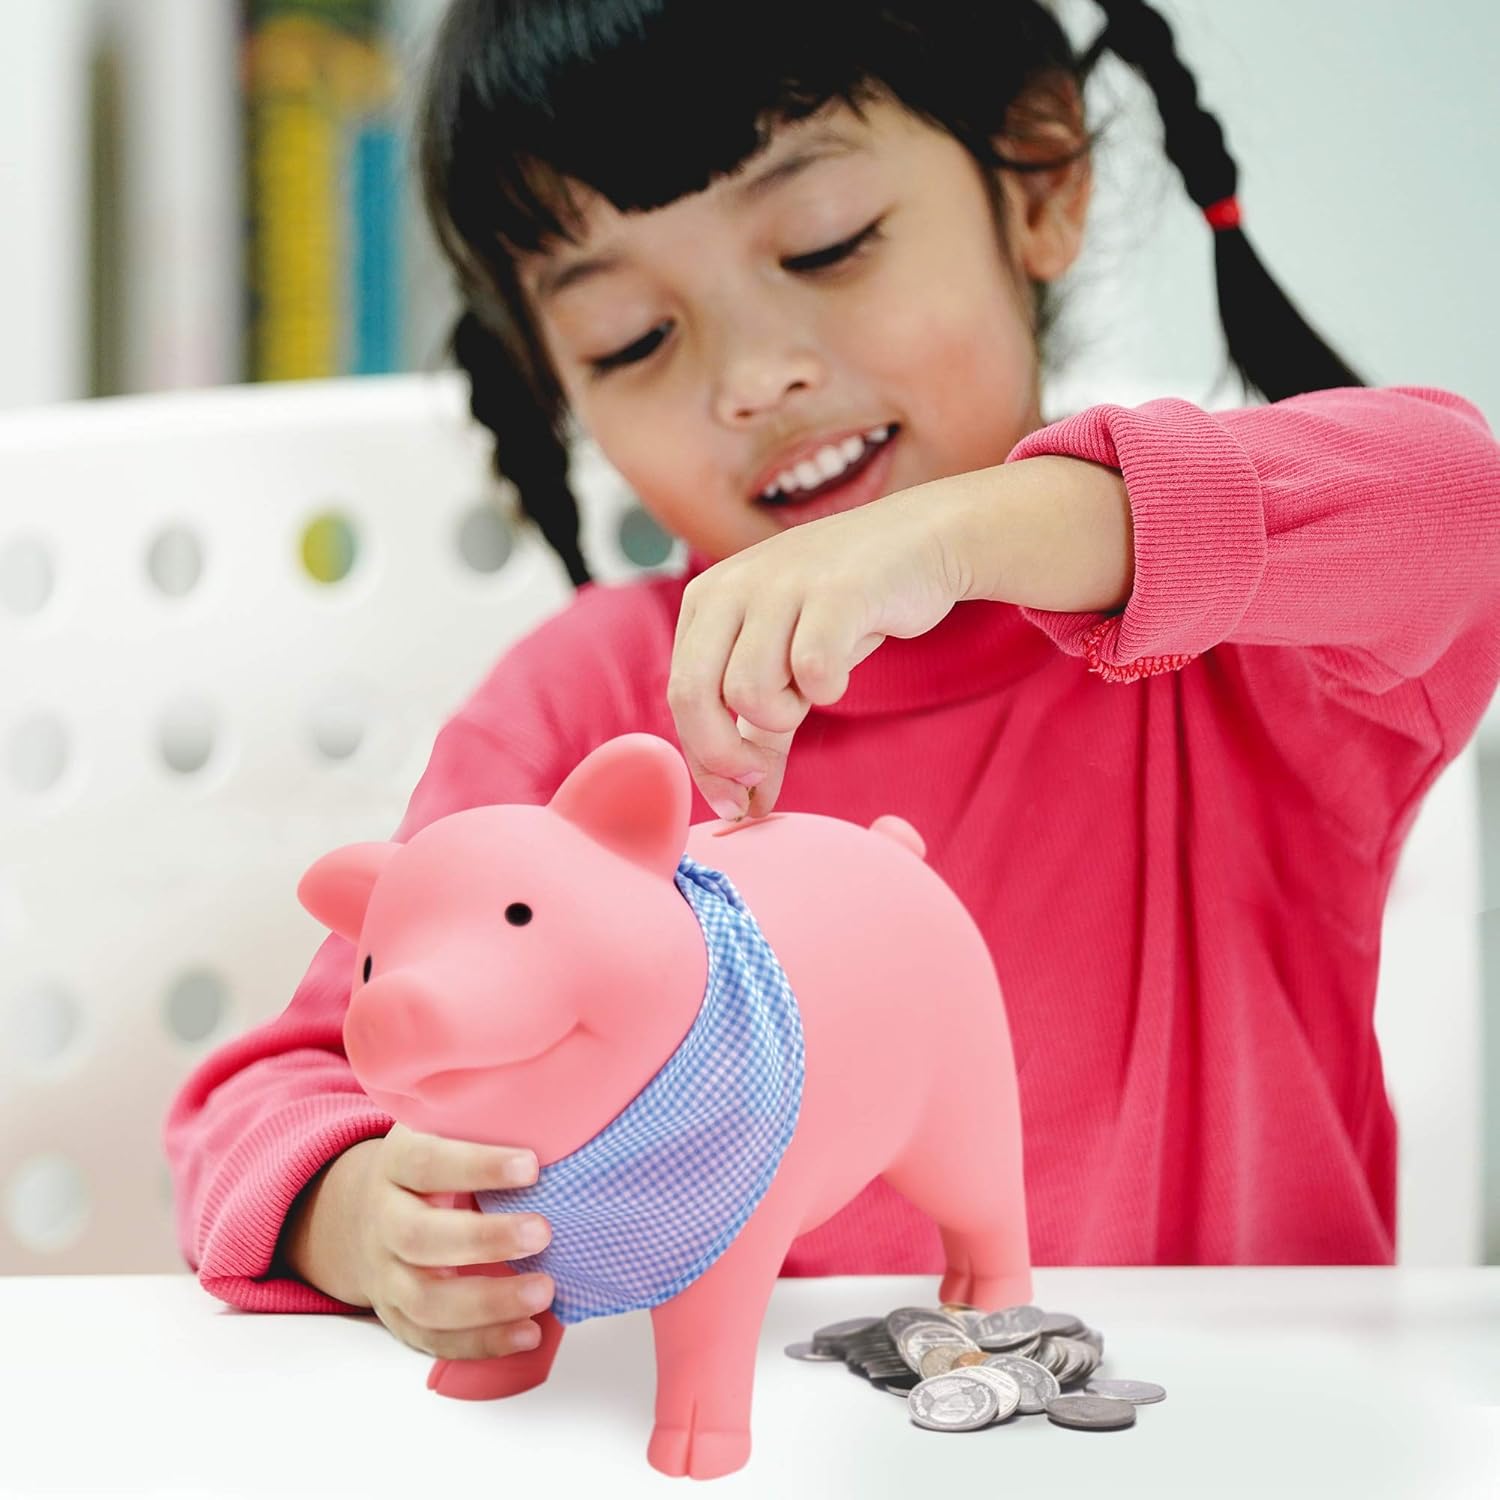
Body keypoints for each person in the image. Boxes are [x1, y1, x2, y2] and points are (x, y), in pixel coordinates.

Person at [164, 0, 1500, 1371]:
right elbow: (276, 1097)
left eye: (825, 245)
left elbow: (1464, 505)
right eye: (632, 338)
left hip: (1238, 1434)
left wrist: (971, 534)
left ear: (1042, 180)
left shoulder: (1258, 655)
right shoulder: (587, 707)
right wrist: (364, 1215)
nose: (756, 379)